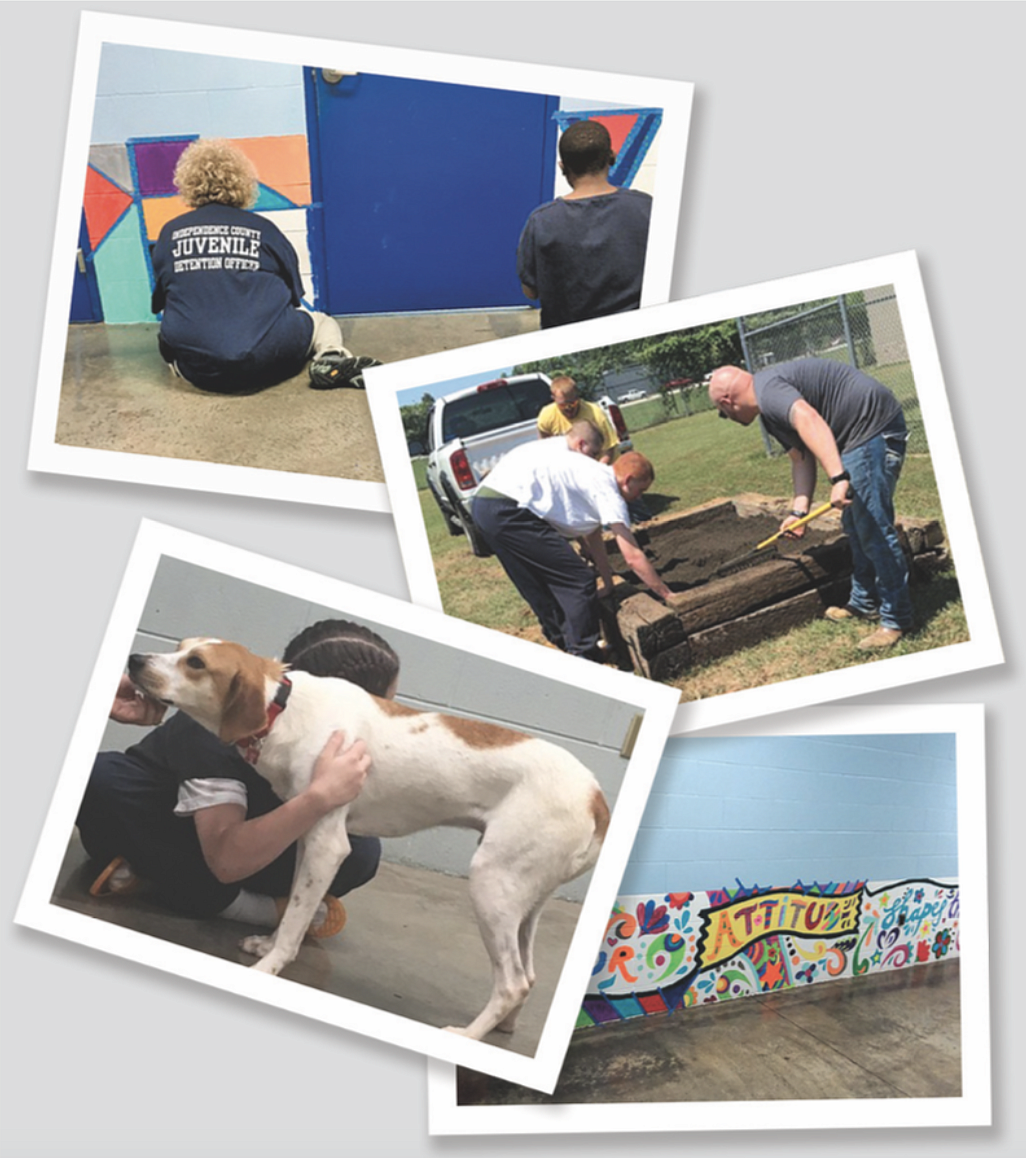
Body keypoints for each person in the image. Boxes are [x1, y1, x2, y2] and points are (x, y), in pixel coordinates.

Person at [77, 620, 400, 937]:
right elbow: (226, 861)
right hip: (184, 828)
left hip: (242, 841)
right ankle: (261, 909)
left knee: (360, 851)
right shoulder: (214, 726)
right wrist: (317, 799)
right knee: (97, 780)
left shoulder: (327, 746)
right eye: (379, 707)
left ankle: (154, 878)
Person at [708, 360, 913, 649]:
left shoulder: (768, 392)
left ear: (727, 401)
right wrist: (798, 513)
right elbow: (801, 458)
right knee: (855, 526)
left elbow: (809, 419)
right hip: (855, 436)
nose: (726, 416)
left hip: (869, 428)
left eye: (722, 413)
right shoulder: (768, 410)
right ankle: (864, 601)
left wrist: (839, 477)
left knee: (874, 530)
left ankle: (896, 619)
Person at [151, 138, 379, 394]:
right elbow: (293, 298)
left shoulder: (170, 232)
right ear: (243, 183)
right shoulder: (264, 229)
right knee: (321, 322)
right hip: (267, 361)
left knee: (169, 337)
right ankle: (332, 357)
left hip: (199, 371)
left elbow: (161, 301)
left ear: (188, 184)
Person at [471, 423, 673, 661]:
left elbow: (593, 535)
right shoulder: (607, 488)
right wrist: (667, 594)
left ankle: (565, 643)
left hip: (484, 505)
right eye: (639, 491)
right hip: (509, 509)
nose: (639, 498)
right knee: (578, 580)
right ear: (627, 480)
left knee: (537, 581)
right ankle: (584, 654)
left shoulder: (588, 473)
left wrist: (608, 583)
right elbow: (632, 556)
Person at [516, 119, 652, 329]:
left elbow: (530, 291)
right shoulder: (648, 208)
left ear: (563, 166)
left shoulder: (541, 221)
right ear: (612, 157)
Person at [537, 375, 619, 464]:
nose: (568, 408)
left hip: (602, 465)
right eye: (563, 405)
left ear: (578, 397)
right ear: (553, 399)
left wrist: (596, 470)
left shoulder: (595, 413)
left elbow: (609, 448)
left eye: (572, 403)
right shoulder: (547, 416)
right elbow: (544, 443)